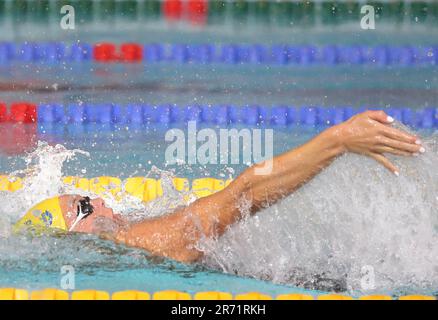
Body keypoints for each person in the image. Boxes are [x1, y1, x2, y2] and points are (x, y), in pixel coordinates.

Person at [14, 111, 424, 263]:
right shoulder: (140, 241)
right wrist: (337, 140)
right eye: (85, 206)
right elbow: (241, 195)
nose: (100, 198)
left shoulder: (128, 245)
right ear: (76, 237)